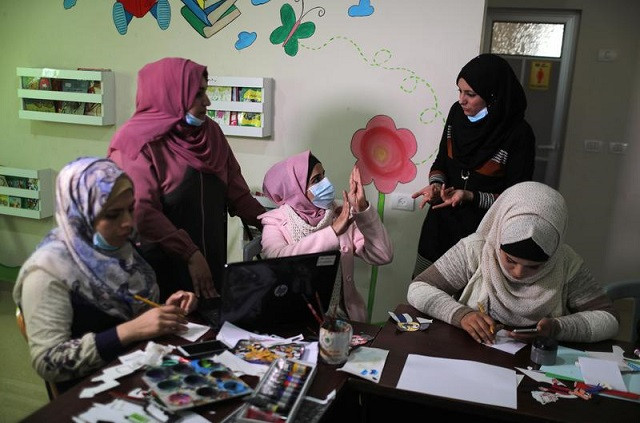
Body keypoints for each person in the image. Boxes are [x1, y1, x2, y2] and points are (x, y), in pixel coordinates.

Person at [13, 157, 198, 393]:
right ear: (80, 212)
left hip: (134, 372)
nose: (128, 223)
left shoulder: (118, 250)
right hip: (91, 391)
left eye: (131, 209)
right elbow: (49, 362)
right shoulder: (48, 271)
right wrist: (131, 330)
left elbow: (124, 312)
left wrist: (160, 310)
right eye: (112, 215)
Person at [108, 57, 265, 300]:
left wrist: (281, 225)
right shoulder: (135, 144)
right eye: (198, 94)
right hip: (159, 275)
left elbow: (238, 194)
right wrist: (189, 252)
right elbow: (142, 211)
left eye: (206, 91)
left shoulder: (210, 133)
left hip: (210, 267)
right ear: (170, 94)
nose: (207, 101)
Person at [407, 181, 619, 344]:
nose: (518, 273)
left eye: (534, 267)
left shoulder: (566, 263)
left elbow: (609, 320)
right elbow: (419, 288)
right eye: (510, 260)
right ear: (498, 237)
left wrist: (558, 328)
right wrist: (462, 315)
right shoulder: (477, 248)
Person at [412, 53, 535, 277]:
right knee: (422, 291)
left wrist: (470, 196)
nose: (462, 100)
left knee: (467, 303)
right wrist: (437, 186)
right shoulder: (456, 115)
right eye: (459, 91)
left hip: (482, 233)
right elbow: (441, 162)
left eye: (470, 94)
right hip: (440, 224)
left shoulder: (519, 134)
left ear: (493, 96)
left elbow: (517, 198)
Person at [259, 151, 393, 322]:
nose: (326, 183)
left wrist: (362, 209)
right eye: (316, 180)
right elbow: (277, 260)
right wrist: (333, 232)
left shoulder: (339, 213)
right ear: (295, 189)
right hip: (293, 317)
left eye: (324, 175)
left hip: (340, 318)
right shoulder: (275, 221)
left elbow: (383, 255)